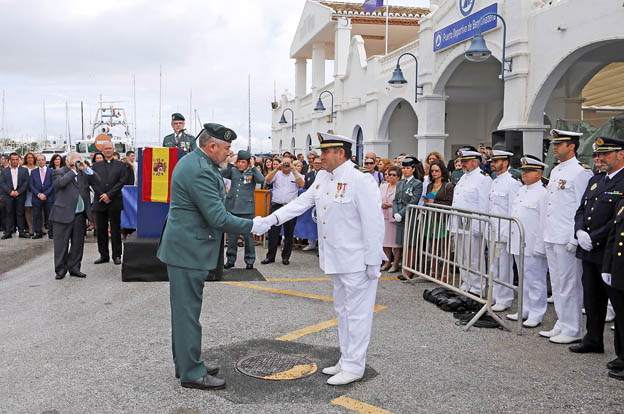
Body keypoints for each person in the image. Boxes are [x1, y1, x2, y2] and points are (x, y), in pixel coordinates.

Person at [252, 132, 384, 386]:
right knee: (343, 312)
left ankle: (355, 366)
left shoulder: (360, 180)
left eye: (325, 153)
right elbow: (299, 203)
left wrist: (372, 261)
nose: (320, 157)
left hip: (357, 261)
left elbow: (373, 223)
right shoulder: (324, 177)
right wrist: (268, 221)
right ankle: (346, 359)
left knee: (358, 314)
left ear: (340, 153)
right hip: (336, 259)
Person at [157, 123, 264, 391]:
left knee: (185, 312)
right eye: (227, 148)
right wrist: (254, 225)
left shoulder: (197, 162)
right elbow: (216, 218)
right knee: (187, 314)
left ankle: (186, 363)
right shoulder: (200, 170)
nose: (230, 154)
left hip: (186, 247)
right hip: (188, 250)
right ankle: (191, 372)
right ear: (211, 146)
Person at [570, 137, 624, 354]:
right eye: (597, 155)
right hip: (589, 249)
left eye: (604, 154)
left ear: (621, 154)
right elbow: (581, 209)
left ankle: (622, 353)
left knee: (618, 302)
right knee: (592, 298)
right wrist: (580, 231)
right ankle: (593, 339)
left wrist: (596, 238)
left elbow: (619, 220)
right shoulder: (596, 180)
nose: (599, 159)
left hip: (610, 251)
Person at [539, 129, 593, 344]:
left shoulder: (580, 173)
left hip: (566, 236)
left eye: (559, 144)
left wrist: (575, 237)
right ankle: (562, 321)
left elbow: (584, 207)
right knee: (558, 283)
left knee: (570, 283)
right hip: (552, 234)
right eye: (554, 144)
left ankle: (573, 328)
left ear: (571, 146)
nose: (555, 147)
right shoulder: (556, 170)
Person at [506, 155, 549, 327]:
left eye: (528, 171)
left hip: (533, 242)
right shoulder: (521, 190)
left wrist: (540, 245)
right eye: (523, 170)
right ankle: (524, 308)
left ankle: (536, 313)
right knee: (523, 277)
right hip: (519, 241)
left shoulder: (543, 192)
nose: (524, 174)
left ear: (538, 173)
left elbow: (544, 221)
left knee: (536, 279)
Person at [49, 153, 100, 279]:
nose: (79, 163)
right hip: (62, 214)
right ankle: (60, 269)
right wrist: (72, 171)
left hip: (79, 215)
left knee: (78, 244)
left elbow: (97, 181)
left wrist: (86, 168)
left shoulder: (83, 173)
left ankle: (75, 268)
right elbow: (59, 184)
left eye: (80, 161)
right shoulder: (59, 172)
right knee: (61, 244)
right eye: (76, 161)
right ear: (68, 161)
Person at [451, 147, 492, 295]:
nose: (462, 164)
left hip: (473, 224)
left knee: (474, 257)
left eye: (465, 161)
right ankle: (466, 282)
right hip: (460, 223)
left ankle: (477, 287)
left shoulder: (483, 179)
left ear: (475, 162)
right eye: (462, 161)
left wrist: (480, 227)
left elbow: (483, 205)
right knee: (462, 256)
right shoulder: (464, 177)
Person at [487, 149, 523, 312]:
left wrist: (508, 233)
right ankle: (495, 294)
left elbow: (513, 210)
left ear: (505, 163)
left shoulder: (512, 182)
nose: (492, 164)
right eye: (492, 161)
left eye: (496, 161)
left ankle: (505, 297)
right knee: (494, 265)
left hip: (504, 231)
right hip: (493, 230)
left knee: (503, 266)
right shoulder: (495, 181)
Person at [221, 150, 265, 269]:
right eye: (239, 162)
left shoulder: (252, 171)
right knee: (232, 237)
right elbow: (222, 173)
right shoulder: (233, 170)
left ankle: (250, 260)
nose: (240, 164)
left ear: (248, 163)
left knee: (248, 237)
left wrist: (253, 166)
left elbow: (261, 180)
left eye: (243, 162)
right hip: (233, 208)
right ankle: (230, 260)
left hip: (247, 209)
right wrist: (232, 162)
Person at [261, 155, 304, 265]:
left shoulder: (296, 174)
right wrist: (276, 168)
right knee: (273, 233)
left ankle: (286, 257)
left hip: (290, 207)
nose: (286, 165)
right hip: (277, 206)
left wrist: (294, 170)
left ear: (291, 164)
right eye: (284, 163)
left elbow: (301, 184)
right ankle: (270, 257)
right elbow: (267, 180)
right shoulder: (277, 174)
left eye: (288, 163)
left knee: (289, 234)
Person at [91, 141, 127, 265]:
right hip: (100, 201)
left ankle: (117, 255)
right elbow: (93, 182)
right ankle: (103, 255)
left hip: (114, 200)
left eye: (110, 148)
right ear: (102, 150)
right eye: (105, 148)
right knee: (101, 230)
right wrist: (103, 195)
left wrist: (109, 195)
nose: (108, 150)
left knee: (116, 229)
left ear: (113, 149)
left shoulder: (121, 165)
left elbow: (121, 181)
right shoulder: (95, 166)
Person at [602, 197, 624, 380]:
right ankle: (622, 355)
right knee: (621, 316)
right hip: (618, 266)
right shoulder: (622, 201)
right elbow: (614, 235)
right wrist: (607, 266)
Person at [392, 156, 424, 280]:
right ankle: (405, 266)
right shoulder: (400, 182)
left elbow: (414, 201)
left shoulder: (417, 183)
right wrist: (396, 212)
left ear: (413, 169)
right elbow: (395, 200)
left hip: (410, 216)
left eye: (408, 168)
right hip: (400, 215)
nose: (405, 170)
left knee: (411, 243)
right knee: (403, 243)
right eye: (403, 168)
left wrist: (402, 213)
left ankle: (409, 269)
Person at [1, 153, 30, 239]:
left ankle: (21, 232)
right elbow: (2, 183)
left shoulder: (24, 170)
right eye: (13, 159)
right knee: (9, 213)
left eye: (16, 159)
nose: (14, 161)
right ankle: (8, 232)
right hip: (8, 195)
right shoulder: (4, 171)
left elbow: (26, 182)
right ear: (9, 160)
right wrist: (10, 192)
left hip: (20, 195)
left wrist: (19, 192)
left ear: (19, 160)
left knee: (20, 213)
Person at [381, 165, 402, 273]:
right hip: (383, 215)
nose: (390, 177)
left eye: (394, 175)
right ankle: (387, 262)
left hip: (394, 216)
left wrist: (391, 205)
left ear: (398, 177)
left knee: (395, 243)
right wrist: (382, 204)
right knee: (385, 242)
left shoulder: (400, 187)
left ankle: (395, 263)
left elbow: (401, 202)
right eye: (389, 174)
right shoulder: (383, 186)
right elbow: (378, 198)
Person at [30, 154, 55, 239]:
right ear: (37, 161)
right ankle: (38, 232)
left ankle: (51, 233)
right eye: (39, 160)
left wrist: (45, 194)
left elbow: (53, 184)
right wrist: (39, 194)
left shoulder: (51, 171)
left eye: (42, 160)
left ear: (45, 160)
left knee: (50, 215)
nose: (40, 161)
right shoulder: (33, 172)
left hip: (49, 197)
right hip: (37, 197)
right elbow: (31, 185)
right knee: (36, 215)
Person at [23, 152, 37, 236]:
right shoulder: (23, 168)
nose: (30, 159)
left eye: (31, 157)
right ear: (26, 159)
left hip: (37, 192)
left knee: (38, 210)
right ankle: (30, 228)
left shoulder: (37, 167)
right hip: (27, 191)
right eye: (28, 157)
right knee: (28, 209)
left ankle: (40, 227)